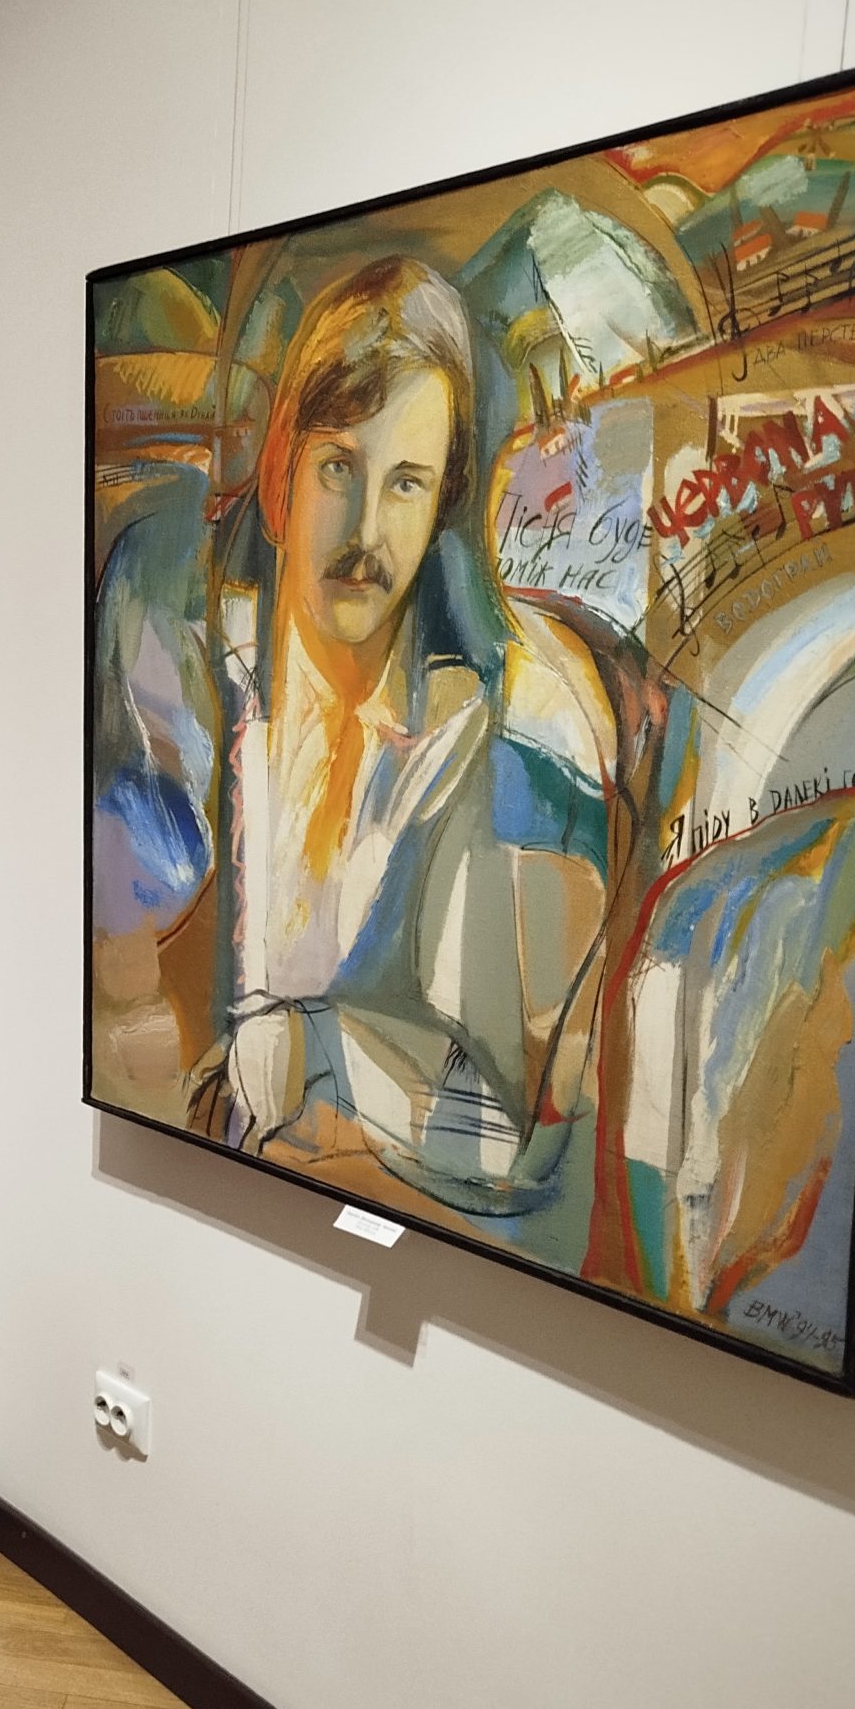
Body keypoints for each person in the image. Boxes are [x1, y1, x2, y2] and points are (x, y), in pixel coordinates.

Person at [199, 256, 616, 1216]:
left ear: (439, 510)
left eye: (407, 485)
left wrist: (305, 1054)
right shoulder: (213, 683)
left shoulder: (484, 739)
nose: (368, 534)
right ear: (280, 477)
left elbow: (515, 1135)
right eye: (339, 468)